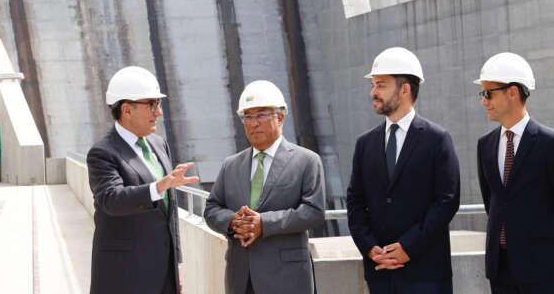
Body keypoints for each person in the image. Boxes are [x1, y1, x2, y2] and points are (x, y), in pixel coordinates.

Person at [346, 47, 461, 294]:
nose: (373, 92)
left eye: (381, 85)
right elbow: (355, 202)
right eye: (374, 85)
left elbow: (446, 202)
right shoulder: (365, 144)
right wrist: (370, 247)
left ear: (405, 89)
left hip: (426, 274)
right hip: (380, 275)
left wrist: (408, 247)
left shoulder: (437, 139)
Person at [475, 52, 554, 294]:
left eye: (488, 93)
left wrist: (553, 252)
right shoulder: (485, 145)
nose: (483, 101)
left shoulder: (551, 144)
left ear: (512, 92)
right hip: (500, 270)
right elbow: (493, 202)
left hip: (542, 271)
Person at [204, 80, 326, 294]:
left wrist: (265, 223)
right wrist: (232, 221)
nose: (253, 123)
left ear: (280, 117)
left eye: (261, 115)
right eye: (248, 117)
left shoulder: (306, 161)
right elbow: (212, 208)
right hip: (241, 278)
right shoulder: (231, 165)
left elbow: (313, 212)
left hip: (288, 279)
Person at [86, 66, 199, 294]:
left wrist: (175, 268)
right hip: (125, 276)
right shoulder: (102, 153)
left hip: (163, 274)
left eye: (158, 104)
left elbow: (170, 213)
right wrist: (158, 187)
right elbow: (112, 199)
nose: (159, 112)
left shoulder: (159, 144)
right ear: (127, 109)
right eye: (152, 105)